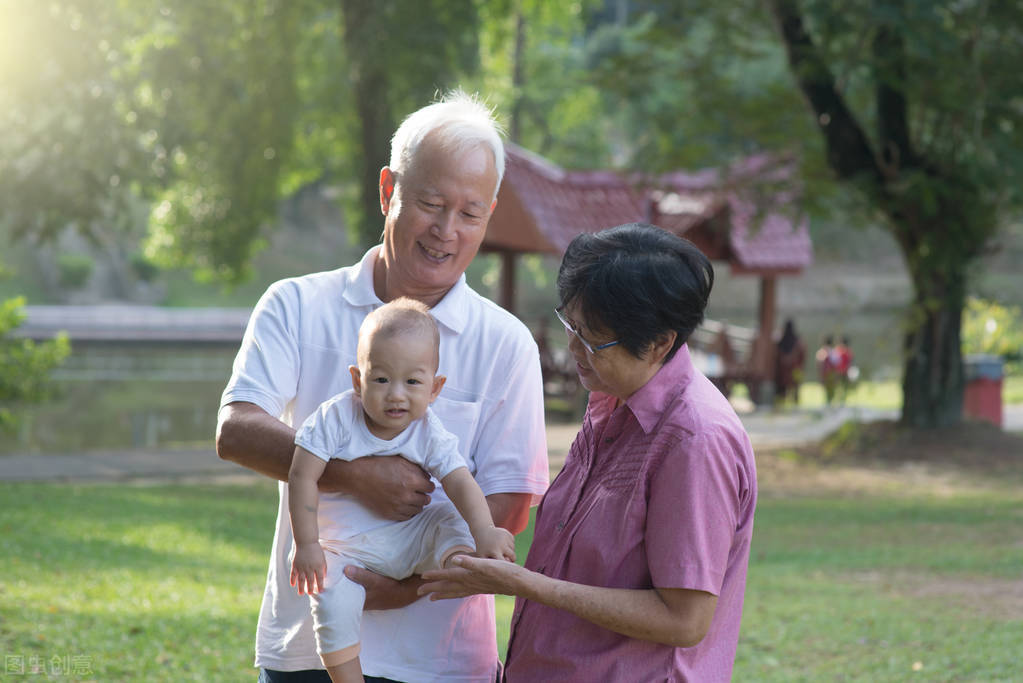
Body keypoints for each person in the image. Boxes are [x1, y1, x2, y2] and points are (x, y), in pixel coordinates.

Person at [216, 90, 549, 682]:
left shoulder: (506, 343)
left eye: (470, 213)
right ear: (388, 190)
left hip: (442, 660)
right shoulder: (296, 305)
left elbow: (509, 501)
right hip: (306, 649)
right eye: (431, 202)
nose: (447, 230)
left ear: (489, 214)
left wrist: (408, 586)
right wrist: (350, 473)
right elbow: (236, 429)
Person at [420, 223, 758, 681]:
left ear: (659, 343)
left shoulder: (694, 439)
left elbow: (684, 619)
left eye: (594, 337)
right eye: (571, 324)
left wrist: (525, 585)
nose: (574, 347)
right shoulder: (610, 396)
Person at [288, 298, 516, 683]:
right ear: (357, 379)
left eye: (412, 381)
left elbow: (460, 480)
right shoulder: (336, 418)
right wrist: (307, 544)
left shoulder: (428, 430)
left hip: (410, 541)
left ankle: (460, 562)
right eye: (381, 379)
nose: (396, 394)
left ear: (435, 388)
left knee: (450, 516)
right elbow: (301, 476)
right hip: (346, 549)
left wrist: (484, 532)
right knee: (330, 599)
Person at [773, 318, 807, 406]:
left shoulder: (780, 341)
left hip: (782, 371)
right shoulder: (798, 341)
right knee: (795, 388)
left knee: (782, 391)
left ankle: (781, 404)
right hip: (795, 370)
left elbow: (776, 355)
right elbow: (802, 355)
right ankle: (795, 404)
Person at [816, 335, 838, 405]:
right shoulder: (833, 352)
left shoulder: (821, 352)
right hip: (831, 373)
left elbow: (819, 363)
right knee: (831, 390)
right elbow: (836, 363)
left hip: (825, 373)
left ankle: (828, 402)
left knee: (827, 390)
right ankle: (829, 402)